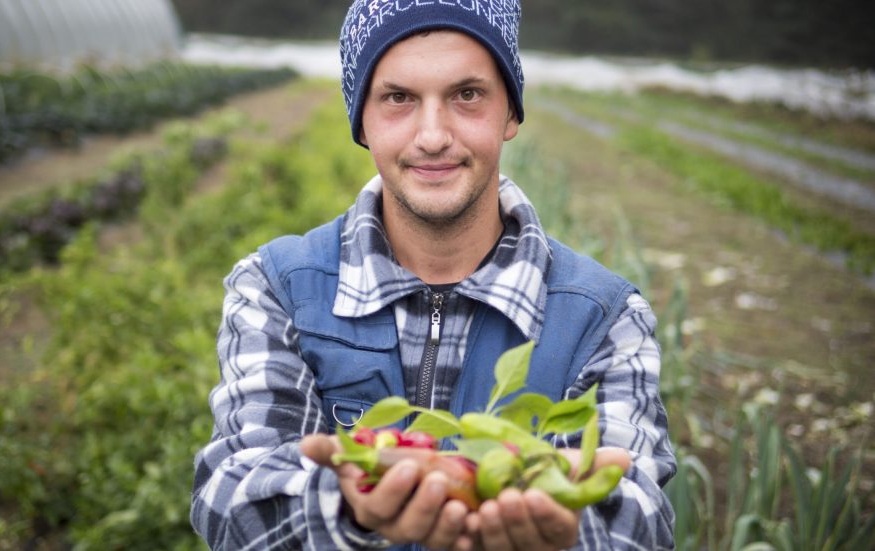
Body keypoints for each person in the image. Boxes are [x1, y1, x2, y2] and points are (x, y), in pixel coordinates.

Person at [191, 1, 676, 549]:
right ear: (362, 123)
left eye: (466, 95)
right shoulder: (276, 288)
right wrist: (348, 509)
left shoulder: (606, 317)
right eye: (398, 98)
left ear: (510, 114)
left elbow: (639, 512)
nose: (432, 135)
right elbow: (231, 497)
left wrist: (566, 531)